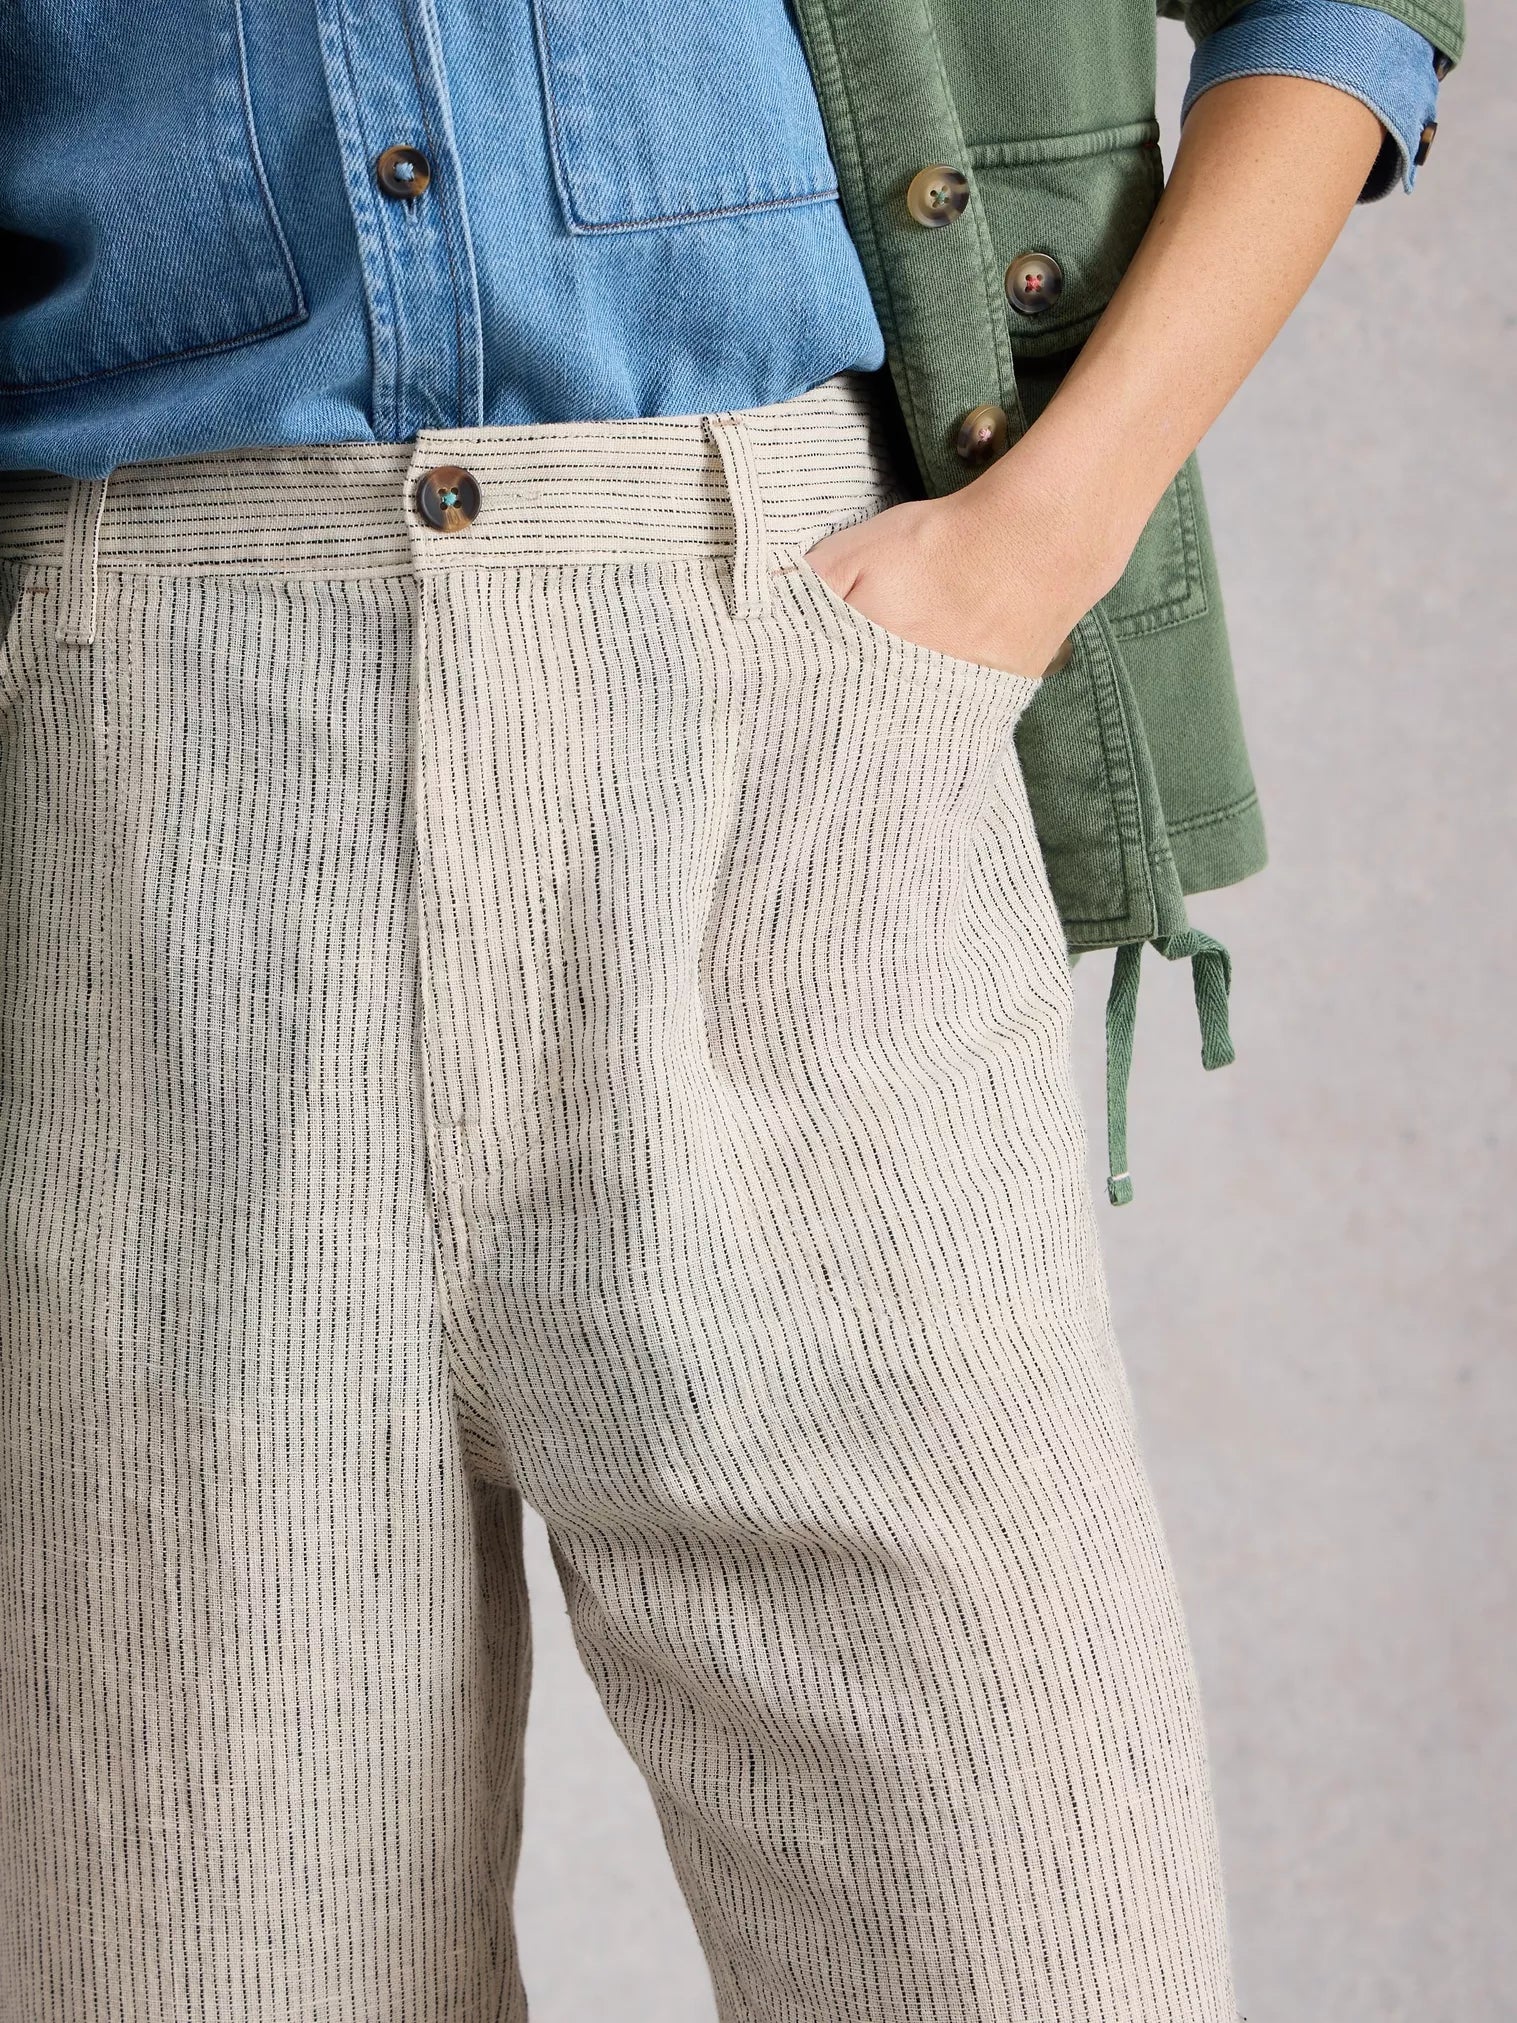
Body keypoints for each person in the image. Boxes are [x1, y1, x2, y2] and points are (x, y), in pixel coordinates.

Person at [0, 1, 1463, 2018]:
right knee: (195, 1953)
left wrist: (1048, 532)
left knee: (1036, 1943)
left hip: (791, 692)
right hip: (140, 765)